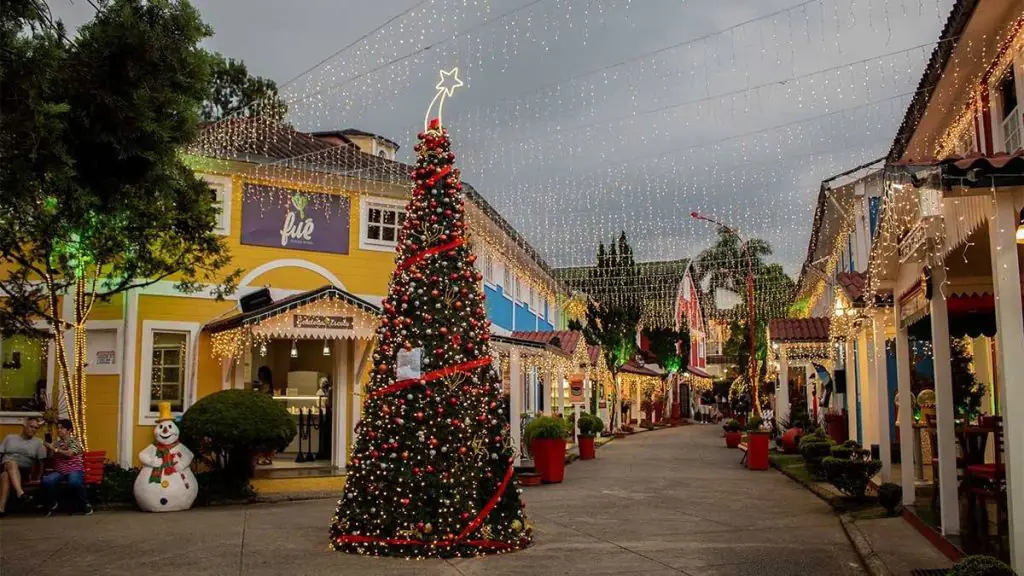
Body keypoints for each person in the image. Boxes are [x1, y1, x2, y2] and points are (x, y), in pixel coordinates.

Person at [41, 419, 91, 516]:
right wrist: (49, 448)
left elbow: (70, 453)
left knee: (74, 482)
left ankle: (85, 504)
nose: (59, 430)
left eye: (62, 428)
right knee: (47, 481)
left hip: (75, 470)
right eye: (58, 428)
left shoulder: (75, 441)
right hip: (60, 471)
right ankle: (52, 504)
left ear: (69, 430)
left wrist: (54, 449)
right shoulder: (56, 443)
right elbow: (51, 457)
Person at [0, 417, 47, 516]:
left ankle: (3, 507)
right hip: (5, 467)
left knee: (8, 470)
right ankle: (19, 495)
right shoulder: (10, 438)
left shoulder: (38, 442)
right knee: (5, 473)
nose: (33, 429)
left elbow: (42, 462)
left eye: (36, 428)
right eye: (31, 426)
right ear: (24, 426)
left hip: (24, 471)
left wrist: (39, 476)